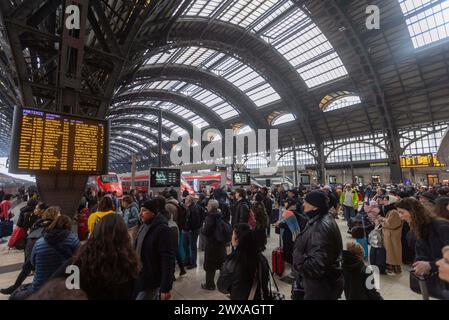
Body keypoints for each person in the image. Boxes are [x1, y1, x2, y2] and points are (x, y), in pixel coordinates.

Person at [51, 213, 139, 299]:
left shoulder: (79, 263)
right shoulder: (130, 266)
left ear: (95, 233)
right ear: (125, 237)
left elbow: (52, 287)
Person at [10, 215, 80, 300]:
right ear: (69, 226)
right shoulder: (73, 240)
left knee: (16, 294)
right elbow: (79, 260)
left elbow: (32, 262)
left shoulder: (40, 242)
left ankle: (15, 287)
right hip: (65, 286)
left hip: (40, 287)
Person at [293, 191, 344, 300]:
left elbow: (317, 265)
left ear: (315, 207)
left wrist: (298, 260)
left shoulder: (320, 228)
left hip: (319, 288)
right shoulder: (322, 219)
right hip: (322, 285)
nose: (303, 204)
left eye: (306, 202)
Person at [397, 198, 449, 297]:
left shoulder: (440, 226)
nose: (400, 217)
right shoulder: (417, 229)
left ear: (413, 211)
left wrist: (431, 265)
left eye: (402, 212)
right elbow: (421, 251)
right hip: (435, 281)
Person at [0, 203, 54, 295]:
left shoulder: (47, 223)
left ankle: (34, 288)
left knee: (34, 269)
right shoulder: (36, 219)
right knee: (27, 267)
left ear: (42, 210)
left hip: (42, 250)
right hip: (34, 247)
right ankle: (16, 286)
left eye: (36, 208)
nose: (35, 209)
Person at [217, 223, 269, 300]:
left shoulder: (232, 262)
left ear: (237, 240)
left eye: (233, 235)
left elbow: (221, 286)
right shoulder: (262, 259)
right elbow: (265, 281)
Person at [135, 199, 174, 300]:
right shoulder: (144, 225)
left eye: (144, 210)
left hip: (152, 279)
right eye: (140, 210)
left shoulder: (162, 229)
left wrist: (165, 288)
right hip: (141, 276)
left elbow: (167, 259)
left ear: (153, 212)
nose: (140, 213)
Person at [201, 199, 227, 290]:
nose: (207, 206)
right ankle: (224, 284)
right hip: (220, 244)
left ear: (211, 207)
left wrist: (202, 229)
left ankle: (210, 285)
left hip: (211, 245)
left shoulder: (210, 217)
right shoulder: (220, 215)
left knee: (210, 266)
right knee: (221, 264)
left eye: (208, 204)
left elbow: (206, 231)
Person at [376, 195, 403, 275]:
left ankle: (395, 270)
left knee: (394, 253)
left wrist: (381, 219)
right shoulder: (390, 210)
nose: (384, 202)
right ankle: (392, 268)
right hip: (389, 235)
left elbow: (390, 224)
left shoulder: (394, 212)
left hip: (392, 236)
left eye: (385, 200)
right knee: (390, 253)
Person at [274, 199, 300, 264]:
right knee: (290, 246)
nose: (284, 204)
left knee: (288, 247)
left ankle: (289, 260)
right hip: (292, 233)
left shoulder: (288, 212)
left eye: (286, 203)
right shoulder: (294, 212)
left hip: (289, 233)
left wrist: (279, 224)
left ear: (290, 204)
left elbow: (287, 225)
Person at [183, 195, 204, 269]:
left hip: (192, 230)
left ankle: (193, 263)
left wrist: (192, 228)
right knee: (185, 245)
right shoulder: (187, 207)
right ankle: (187, 260)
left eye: (186, 199)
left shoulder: (194, 208)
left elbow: (196, 220)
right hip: (186, 230)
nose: (185, 200)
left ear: (190, 200)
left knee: (192, 247)